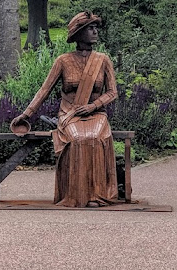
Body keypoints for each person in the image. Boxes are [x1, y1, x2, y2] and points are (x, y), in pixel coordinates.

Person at [10, 11, 119, 207]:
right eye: (90, 28)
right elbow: (44, 90)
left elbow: (112, 92)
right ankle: (77, 195)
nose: (95, 32)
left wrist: (92, 106)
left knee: (95, 137)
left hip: (96, 114)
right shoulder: (63, 61)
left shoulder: (103, 60)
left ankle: (96, 194)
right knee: (77, 139)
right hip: (69, 114)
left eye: (96, 28)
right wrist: (26, 115)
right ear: (78, 33)